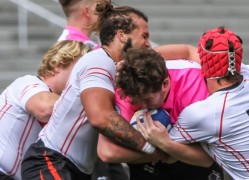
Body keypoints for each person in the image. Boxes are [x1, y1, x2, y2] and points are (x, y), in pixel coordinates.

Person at [136, 27, 249, 179]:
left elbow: (171, 155)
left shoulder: (203, 113)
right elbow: (188, 52)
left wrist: (163, 142)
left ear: (204, 63)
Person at [21, 5, 165, 180]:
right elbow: (101, 118)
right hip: (51, 160)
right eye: (144, 36)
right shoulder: (98, 61)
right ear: (121, 35)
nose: (148, 44)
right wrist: (152, 148)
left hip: (75, 169)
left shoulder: (116, 68)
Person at [97, 47, 224, 180]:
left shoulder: (193, 87)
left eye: (147, 100)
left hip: (193, 164)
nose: (143, 106)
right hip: (149, 161)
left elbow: (208, 159)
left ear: (165, 84)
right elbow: (107, 152)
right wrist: (159, 153)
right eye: (136, 101)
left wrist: (166, 144)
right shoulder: (125, 93)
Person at [0, 40, 92, 180]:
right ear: (57, 65)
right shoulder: (28, 82)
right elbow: (44, 109)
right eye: (81, 70)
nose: (85, 77)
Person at [58, 0, 129, 179]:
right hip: (85, 139)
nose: (105, 14)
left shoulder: (85, 44)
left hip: (96, 135)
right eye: (100, 8)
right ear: (87, 11)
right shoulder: (70, 48)